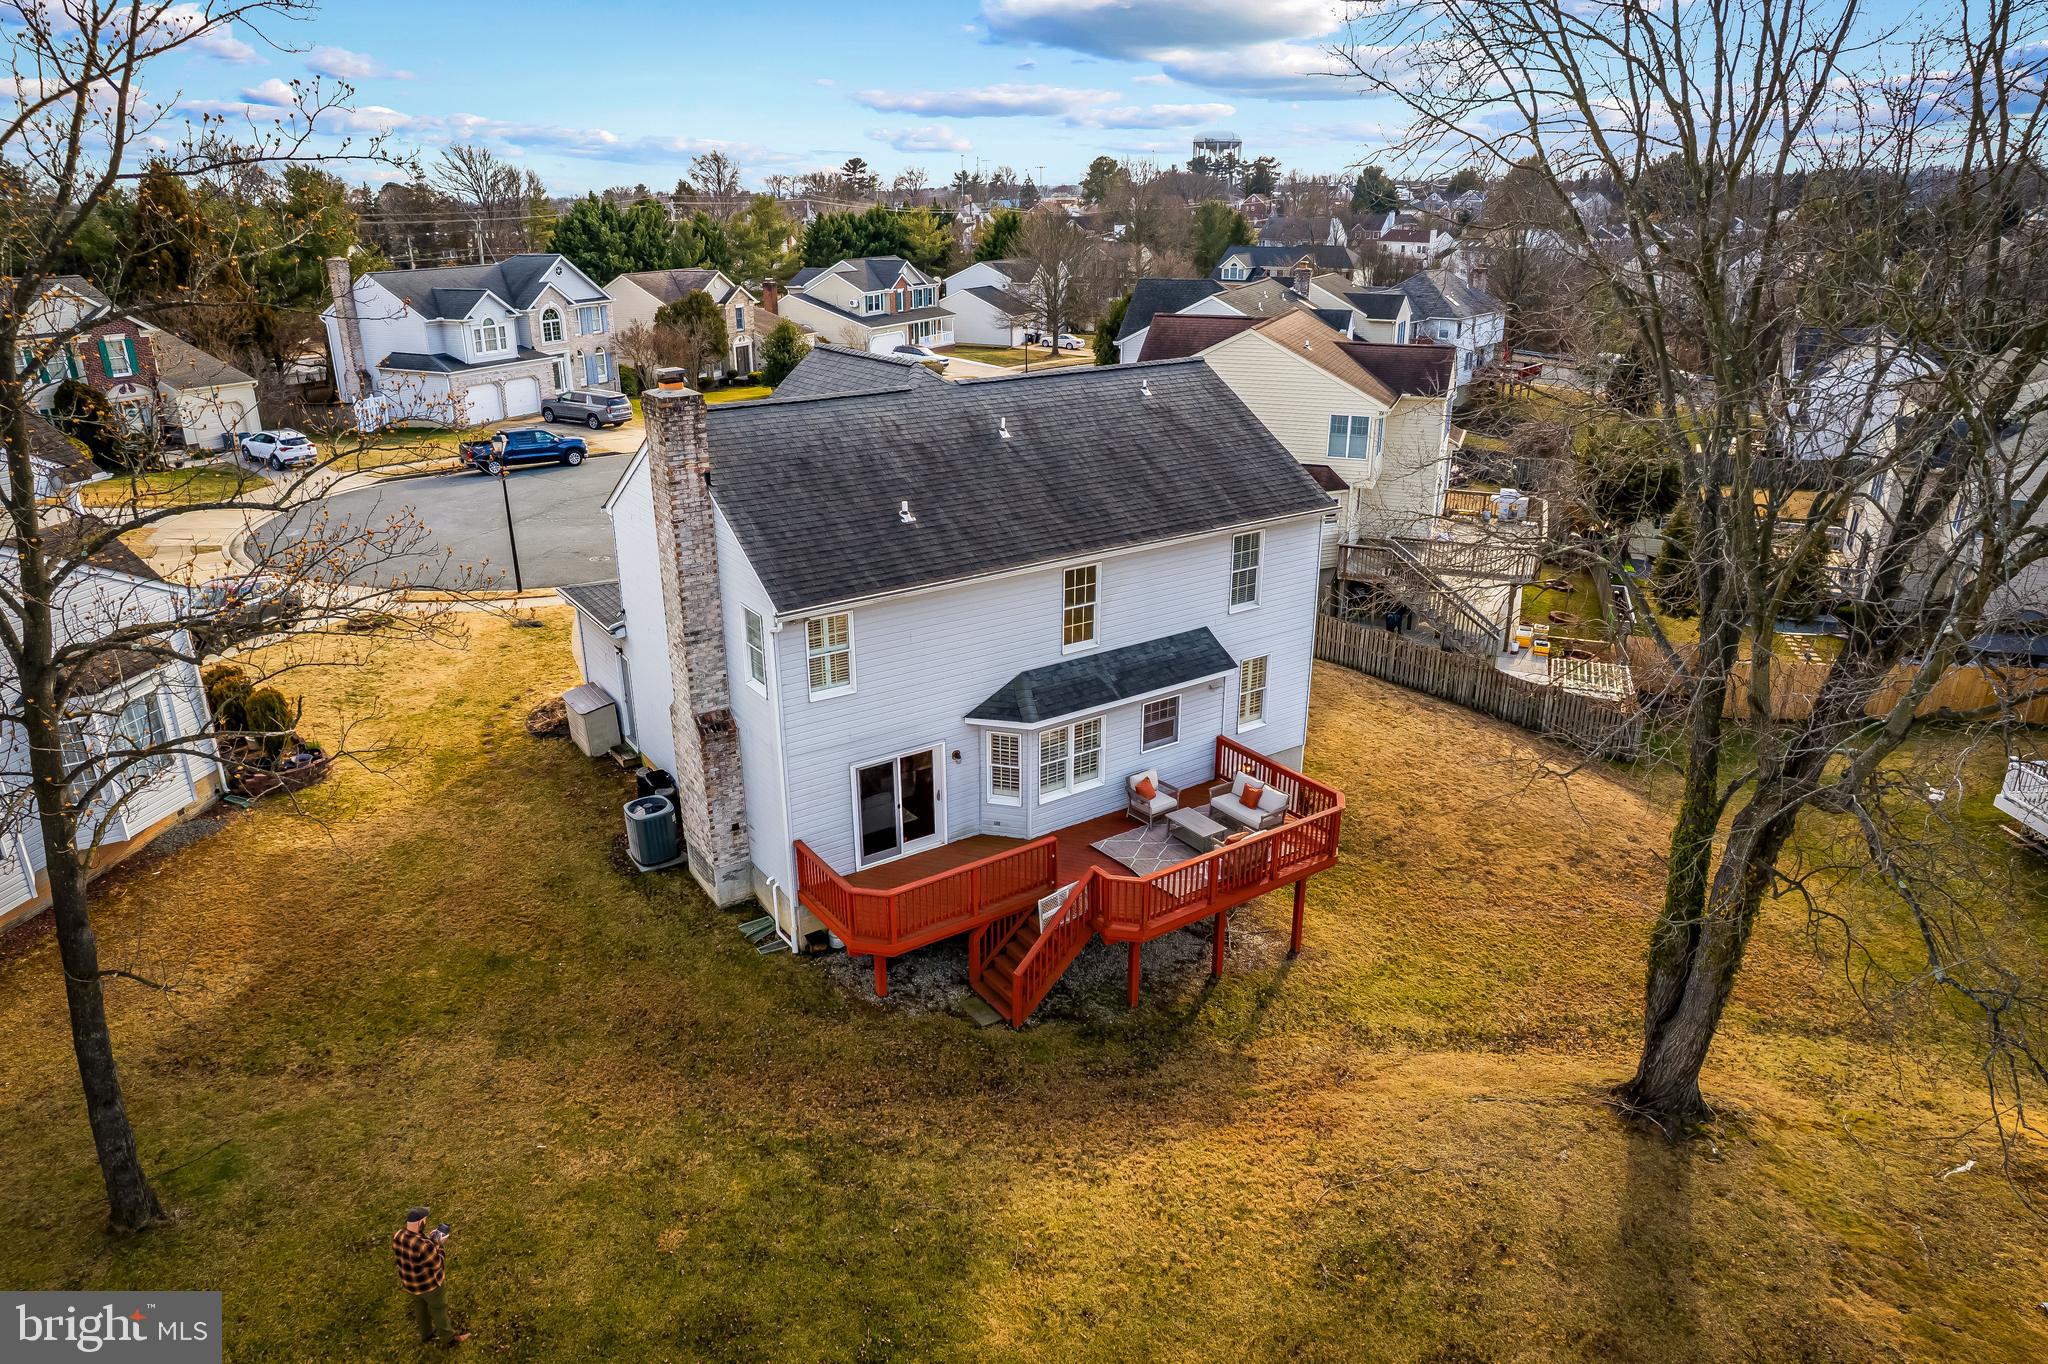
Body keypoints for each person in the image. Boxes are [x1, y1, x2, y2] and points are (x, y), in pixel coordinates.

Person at [393, 1206, 471, 1348]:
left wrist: (429, 1240)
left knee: (420, 1308)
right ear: (420, 1223)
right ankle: (448, 1339)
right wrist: (439, 1245)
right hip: (430, 1285)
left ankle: (426, 1334)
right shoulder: (425, 1246)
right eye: (425, 1220)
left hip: (410, 1284)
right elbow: (437, 1263)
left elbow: (415, 1251)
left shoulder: (398, 1235)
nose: (426, 1222)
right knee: (439, 1309)